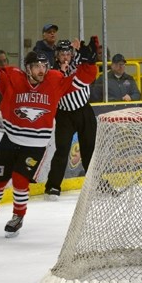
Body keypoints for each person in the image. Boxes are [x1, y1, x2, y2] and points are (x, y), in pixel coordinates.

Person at [0, 37, 98, 237]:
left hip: (35, 144)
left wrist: (89, 63)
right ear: (27, 68)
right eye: (36, 66)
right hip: (10, 138)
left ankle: (18, 216)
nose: (41, 70)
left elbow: (82, 80)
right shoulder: (14, 77)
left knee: (20, 181)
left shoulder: (54, 80)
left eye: (43, 66)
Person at [44, 39, 98, 201]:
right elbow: (56, 87)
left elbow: (89, 68)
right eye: (62, 54)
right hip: (64, 114)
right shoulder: (51, 71)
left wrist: (87, 54)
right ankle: (53, 185)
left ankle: (95, 183)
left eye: (68, 53)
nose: (65, 57)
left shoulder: (79, 64)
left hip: (84, 111)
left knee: (90, 149)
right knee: (61, 150)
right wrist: (62, 72)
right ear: (57, 55)